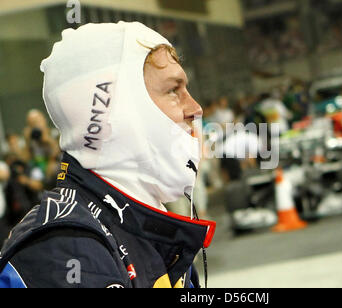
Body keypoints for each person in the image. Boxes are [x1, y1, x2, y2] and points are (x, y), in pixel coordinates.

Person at [0, 22, 215, 288]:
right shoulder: (68, 245)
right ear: (117, 109)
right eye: (173, 90)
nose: (195, 108)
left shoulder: (141, 227)